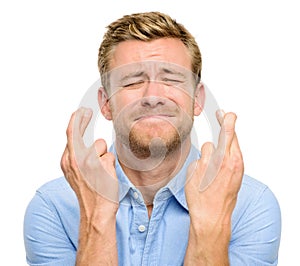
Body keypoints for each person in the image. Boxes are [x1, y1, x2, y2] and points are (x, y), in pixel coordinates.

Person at [23, 11, 281, 265]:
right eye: (132, 81)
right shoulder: (53, 207)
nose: (153, 96)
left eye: (172, 79)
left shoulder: (252, 206)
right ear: (106, 104)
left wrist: (210, 225)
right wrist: (97, 218)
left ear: (198, 100)